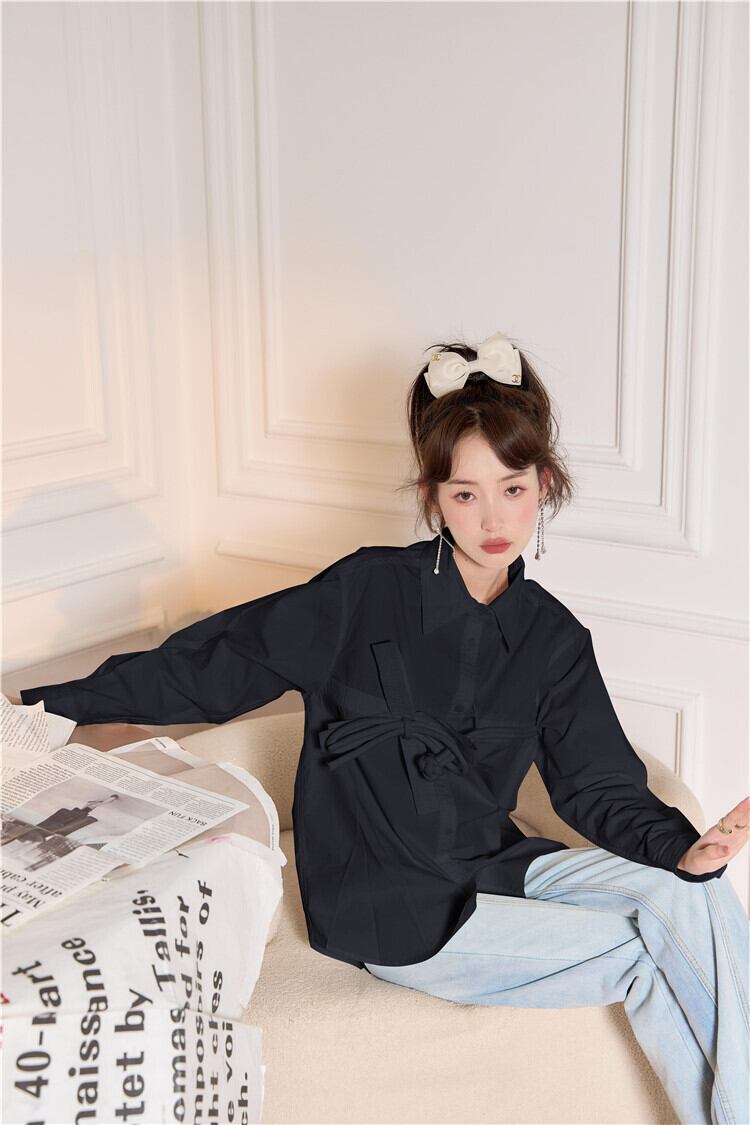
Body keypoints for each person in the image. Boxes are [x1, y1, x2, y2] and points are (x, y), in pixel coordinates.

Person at [13, 330, 749, 1124]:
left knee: (690, 890)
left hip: (496, 863)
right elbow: (221, 659)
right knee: (658, 950)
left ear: (544, 483)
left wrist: (680, 849)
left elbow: (598, 782)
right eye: (465, 494)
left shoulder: (554, 638)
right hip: (394, 905)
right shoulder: (365, 590)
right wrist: (51, 705)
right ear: (433, 497)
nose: (493, 517)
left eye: (512, 488)